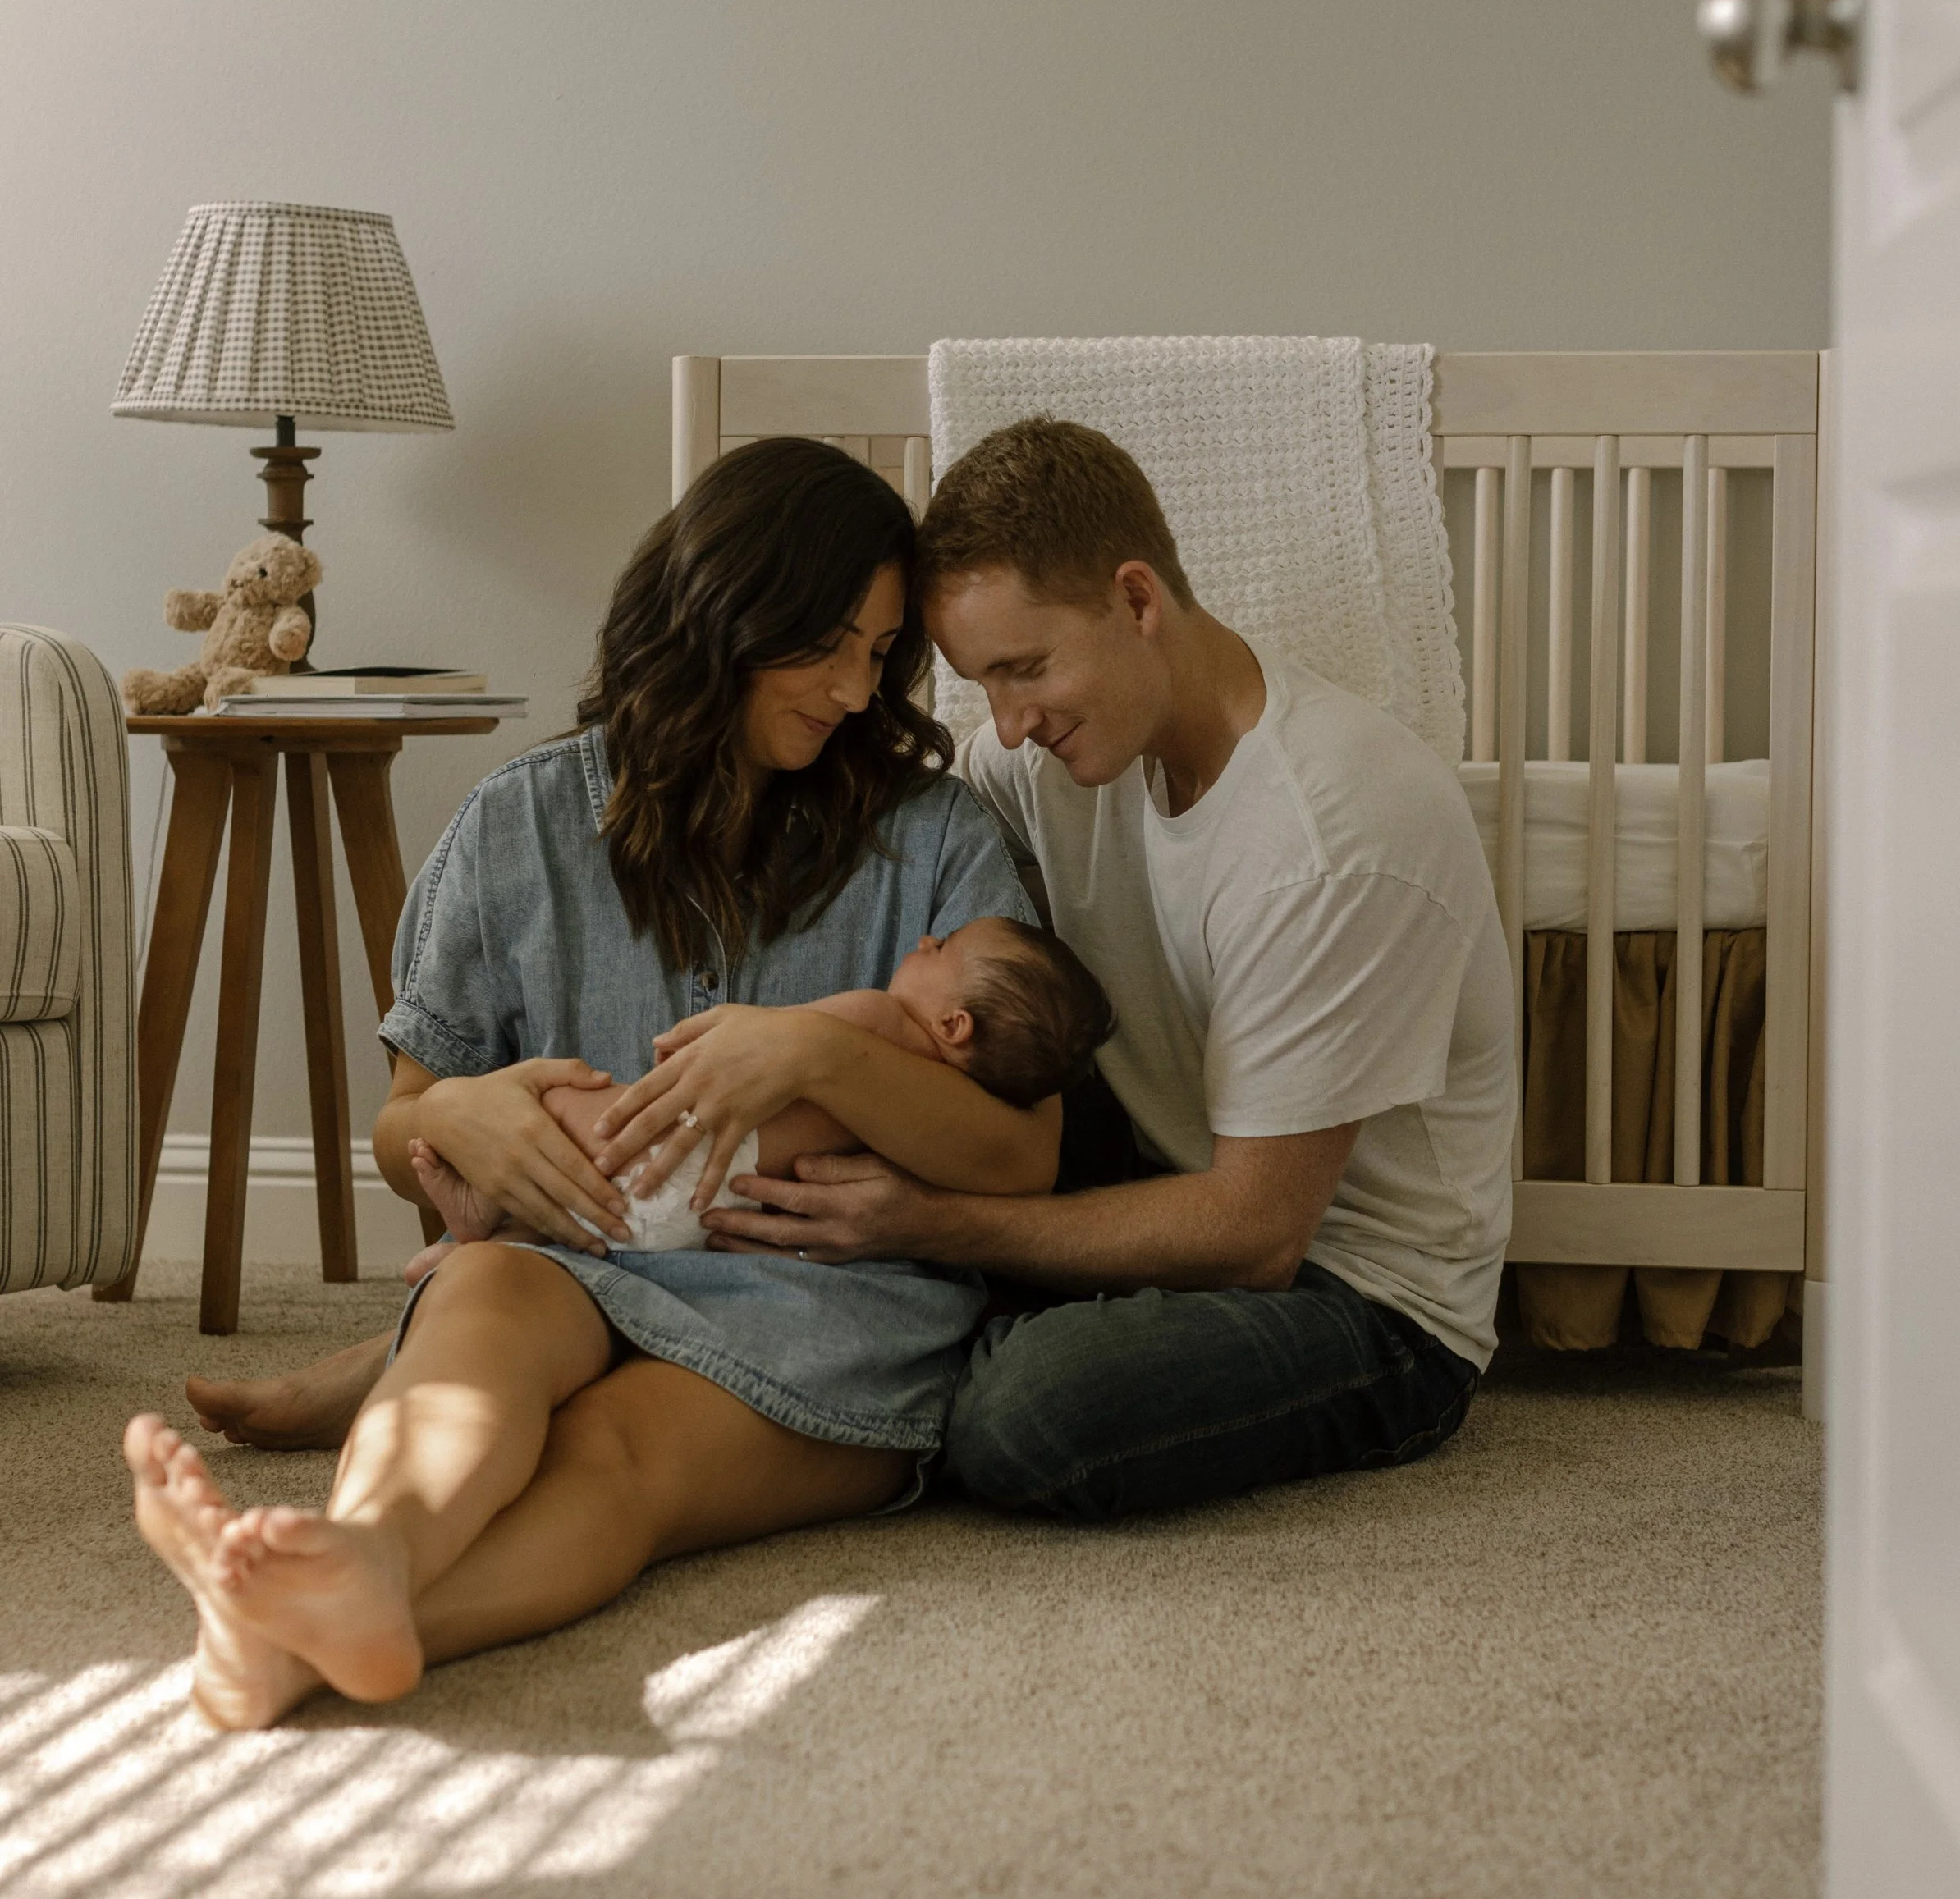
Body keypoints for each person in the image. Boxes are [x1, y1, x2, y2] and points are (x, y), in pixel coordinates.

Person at [126, 439, 1044, 1728]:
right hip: (578, 1260)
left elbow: (1025, 1155)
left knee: (615, 1453)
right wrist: (452, 1117)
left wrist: (821, 1050)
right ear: (726, 609)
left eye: (881, 655)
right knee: (484, 1296)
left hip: (834, 1309)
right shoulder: (516, 828)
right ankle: (364, 1559)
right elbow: (401, 1133)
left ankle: (310, 1637)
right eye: (826, 644)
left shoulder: (937, 839)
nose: (855, 688)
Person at [708, 418, 1518, 1521]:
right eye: (980, 683)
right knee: (913, 1032)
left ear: (1138, 600)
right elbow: (875, 848)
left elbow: (1254, 1233)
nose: (1007, 722)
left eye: (1026, 668)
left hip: (1352, 1292)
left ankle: (894, 1356)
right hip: (1136, 1175)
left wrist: (924, 1222)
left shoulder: (1333, 835)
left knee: (1034, 1415)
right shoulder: (1046, 760)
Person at [405, 915, 1112, 1265]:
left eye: (945, 949)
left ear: (956, 1024)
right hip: (712, 1210)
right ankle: (487, 1244)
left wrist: (691, 1045)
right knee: (588, 1216)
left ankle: (486, 1209)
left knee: (559, 1103)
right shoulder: (933, 1115)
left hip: (693, 1145)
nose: (925, 940)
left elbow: (764, 1050)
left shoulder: (879, 1022)